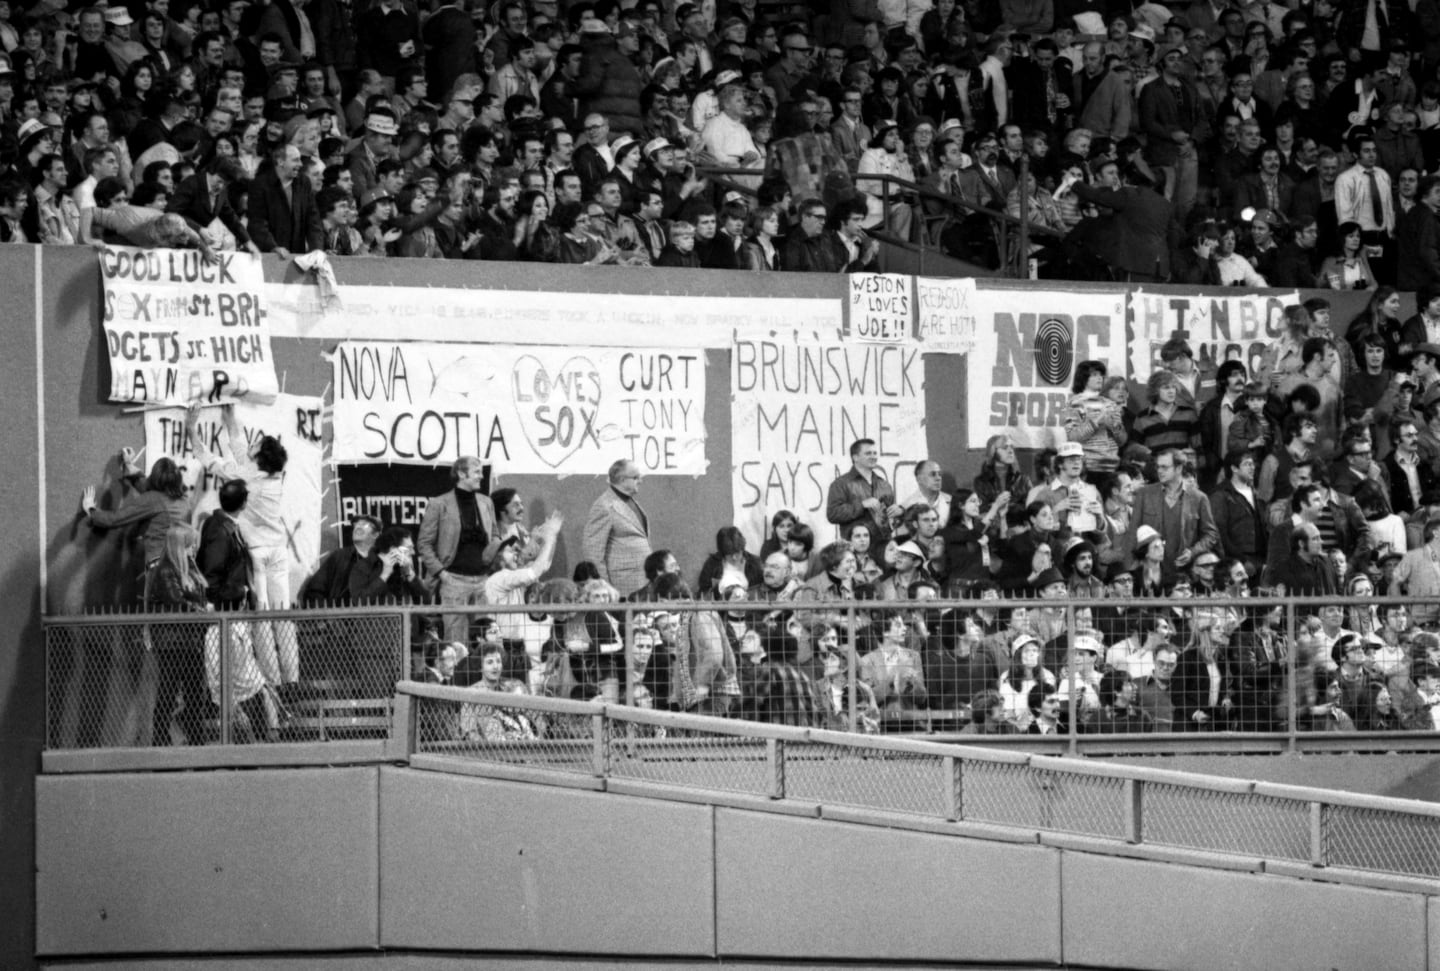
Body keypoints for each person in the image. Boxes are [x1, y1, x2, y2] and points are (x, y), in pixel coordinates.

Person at [419, 455, 499, 645]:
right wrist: (443, 574)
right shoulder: (439, 504)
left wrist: (494, 550)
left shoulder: (487, 502)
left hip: (482, 581)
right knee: (456, 643)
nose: (481, 476)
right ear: (462, 474)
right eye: (476, 472)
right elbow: (423, 543)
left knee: (485, 641)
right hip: (453, 581)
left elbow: (495, 533)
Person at [149, 524, 213, 747]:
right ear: (179, 547)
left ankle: (196, 738)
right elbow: (176, 601)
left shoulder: (190, 569)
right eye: (189, 546)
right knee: (168, 691)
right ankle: (160, 737)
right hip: (173, 642)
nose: (193, 549)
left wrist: (203, 607)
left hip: (193, 641)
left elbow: (197, 598)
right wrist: (204, 611)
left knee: (196, 693)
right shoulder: (166, 570)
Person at [582, 458, 652, 598]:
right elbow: (593, 553)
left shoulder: (629, 501)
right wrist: (606, 588)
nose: (641, 481)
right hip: (622, 587)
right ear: (622, 479)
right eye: (636, 477)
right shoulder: (604, 505)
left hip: (643, 582)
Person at [826, 438, 901, 549]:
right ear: (855, 457)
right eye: (868, 453)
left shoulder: (884, 484)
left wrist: (898, 513)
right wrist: (861, 505)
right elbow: (833, 514)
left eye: (875, 453)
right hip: (855, 549)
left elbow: (892, 519)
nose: (873, 456)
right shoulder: (840, 484)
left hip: (884, 548)